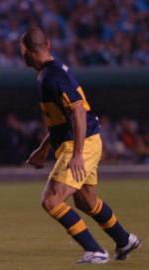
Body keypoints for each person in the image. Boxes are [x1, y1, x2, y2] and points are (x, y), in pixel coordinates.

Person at [20, 26, 141, 264]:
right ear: (48, 45)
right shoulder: (50, 73)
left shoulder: (53, 77)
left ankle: (95, 251)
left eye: (21, 51)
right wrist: (44, 148)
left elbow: (78, 111)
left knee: (51, 200)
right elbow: (62, 120)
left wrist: (77, 154)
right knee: (86, 201)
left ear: (27, 52)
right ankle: (124, 240)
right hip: (86, 141)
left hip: (81, 144)